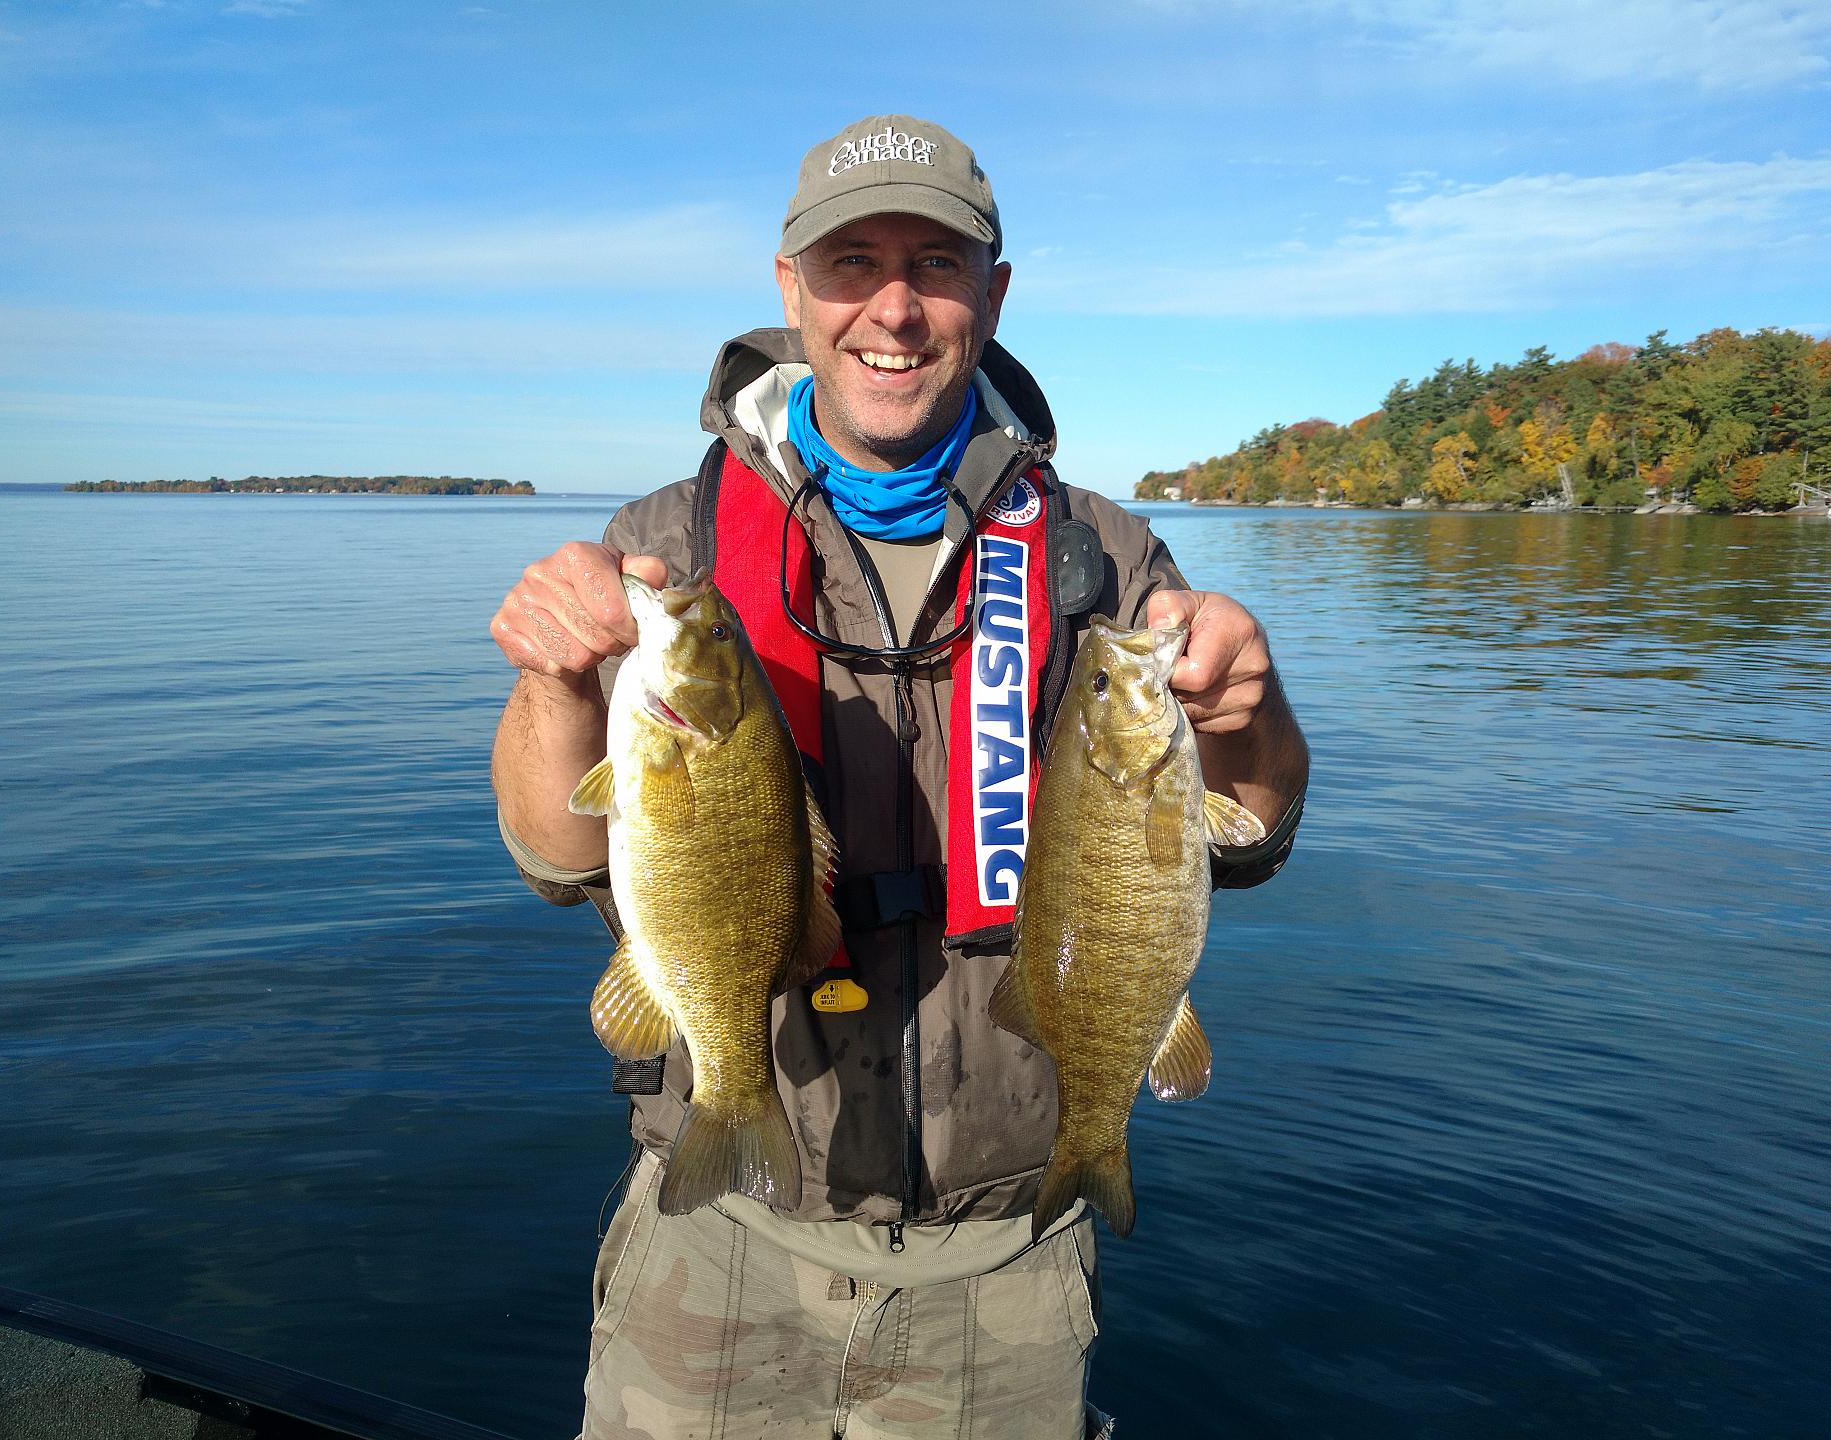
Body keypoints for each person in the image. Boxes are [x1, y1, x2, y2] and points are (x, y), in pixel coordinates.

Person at [489, 115, 1310, 1440]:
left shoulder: (1099, 556)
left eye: (935, 265)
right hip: (720, 1236)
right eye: (851, 263)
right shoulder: (668, 550)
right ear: (789, 289)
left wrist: (1246, 720)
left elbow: (1255, 833)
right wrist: (555, 683)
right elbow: (554, 856)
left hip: (1005, 1262)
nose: (894, 307)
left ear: (993, 291)